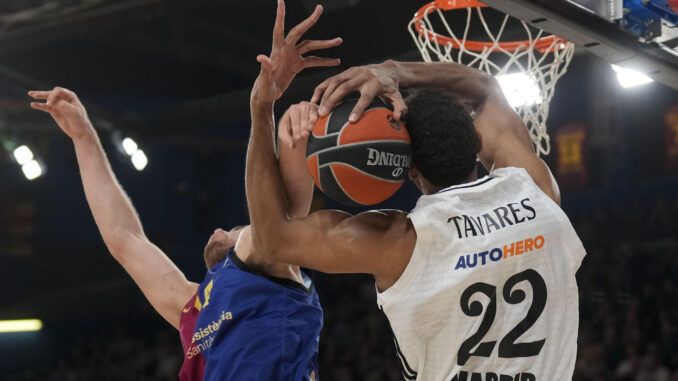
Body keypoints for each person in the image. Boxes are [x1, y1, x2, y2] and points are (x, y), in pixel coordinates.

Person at [248, 17, 587, 379]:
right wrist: (393, 73)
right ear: (476, 143)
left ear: (410, 170)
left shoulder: (401, 242)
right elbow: (486, 87)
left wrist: (262, 107)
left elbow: (273, 239)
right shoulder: (536, 192)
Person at [28, 11, 339, 377]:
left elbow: (280, 221)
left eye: (239, 228)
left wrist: (274, 116)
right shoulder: (196, 307)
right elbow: (124, 240)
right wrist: (83, 138)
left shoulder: (267, 266)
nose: (223, 230)